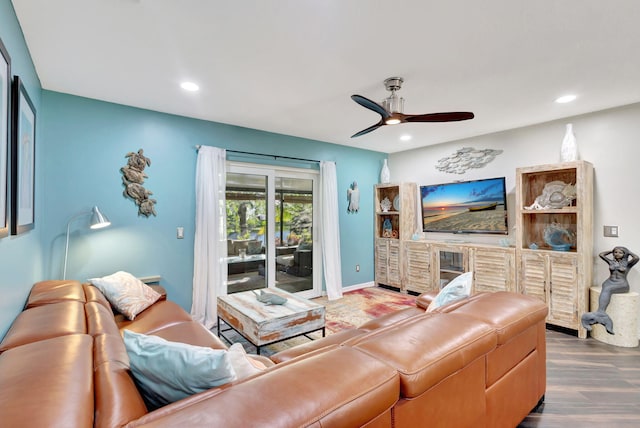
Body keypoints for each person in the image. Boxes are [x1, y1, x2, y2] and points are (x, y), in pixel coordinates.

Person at [581, 246, 638, 334]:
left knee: (607, 289)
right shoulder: (611, 262)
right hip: (609, 281)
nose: (617, 254)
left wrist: (628, 252)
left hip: (621, 284)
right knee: (606, 286)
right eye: (615, 252)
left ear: (624, 254)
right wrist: (611, 251)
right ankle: (601, 314)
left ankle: (600, 313)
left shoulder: (627, 264)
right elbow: (601, 254)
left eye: (620, 252)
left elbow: (636, 258)